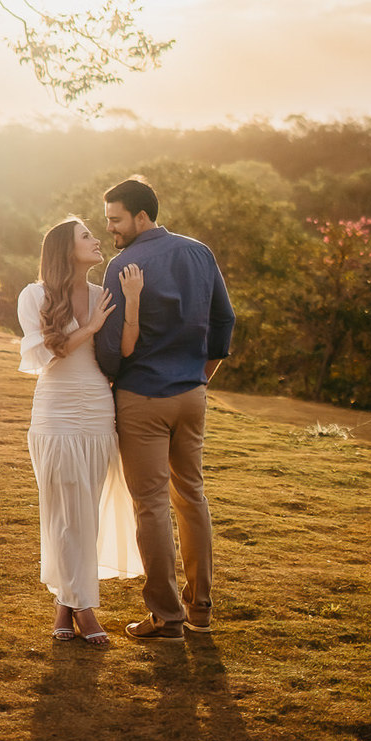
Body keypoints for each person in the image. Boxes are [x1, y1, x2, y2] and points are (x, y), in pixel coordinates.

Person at [95, 175, 235, 641]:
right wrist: (202, 374)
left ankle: (167, 618)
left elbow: (110, 351)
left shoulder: (123, 266)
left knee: (151, 505)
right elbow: (225, 319)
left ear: (141, 216)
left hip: (142, 398)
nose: (110, 228)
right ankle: (201, 610)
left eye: (116, 219)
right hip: (192, 395)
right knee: (192, 496)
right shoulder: (199, 252)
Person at [17, 216, 143, 647]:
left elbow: (123, 350)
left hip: (97, 411)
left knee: (85, 512)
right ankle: (85, 609)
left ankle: (64, 607)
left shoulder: (102, 294)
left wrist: (132, 301)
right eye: (86, 236)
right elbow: (45, 353)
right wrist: (88, 328)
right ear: (64, 249)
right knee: (64, 510)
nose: (97, 240)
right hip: (56, 412)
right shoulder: (35, 295)